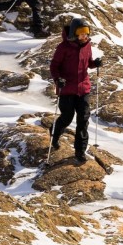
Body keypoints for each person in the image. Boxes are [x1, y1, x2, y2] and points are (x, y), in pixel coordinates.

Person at [48, 16, 103, 164]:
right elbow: (54, 66)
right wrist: (58, 79)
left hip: (83, 88)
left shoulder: (87, 46)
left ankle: (80, 151)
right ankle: (54, 133)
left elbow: (88, 63)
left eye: (87, 33)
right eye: (82, 33)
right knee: (67, 117)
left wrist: (94, 63)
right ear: (74, 33)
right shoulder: (63, 48)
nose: (85, 36)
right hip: (66, 88)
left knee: (83, 120)